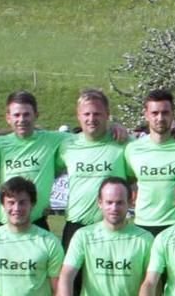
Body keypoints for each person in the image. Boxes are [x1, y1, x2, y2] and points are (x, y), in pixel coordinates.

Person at [56, 90, 132, 250]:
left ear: (107, 115)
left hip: (113, 229)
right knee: (70, 275)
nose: (91, 119)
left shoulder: (124, 143)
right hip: (76, 226)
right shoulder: (66, 145)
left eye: (97, 114)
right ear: (78, 115)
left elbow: (135, 179)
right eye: (87, 114)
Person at [124, 89, 175, 238]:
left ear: (173, 114)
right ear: (146, 115)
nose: (160, 118)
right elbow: (128, 179)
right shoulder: (133, 149)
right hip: (143, 225)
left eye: (165, 112)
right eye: (154, 113)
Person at [0, 91, 70, 231]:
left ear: (36, 115)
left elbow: (87, 134)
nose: (21, 120)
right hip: (3, 222)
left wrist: (111, 127)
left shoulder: (53, 140)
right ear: (8, 118)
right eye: (16, 115)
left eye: (26, 114)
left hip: (36, 222)